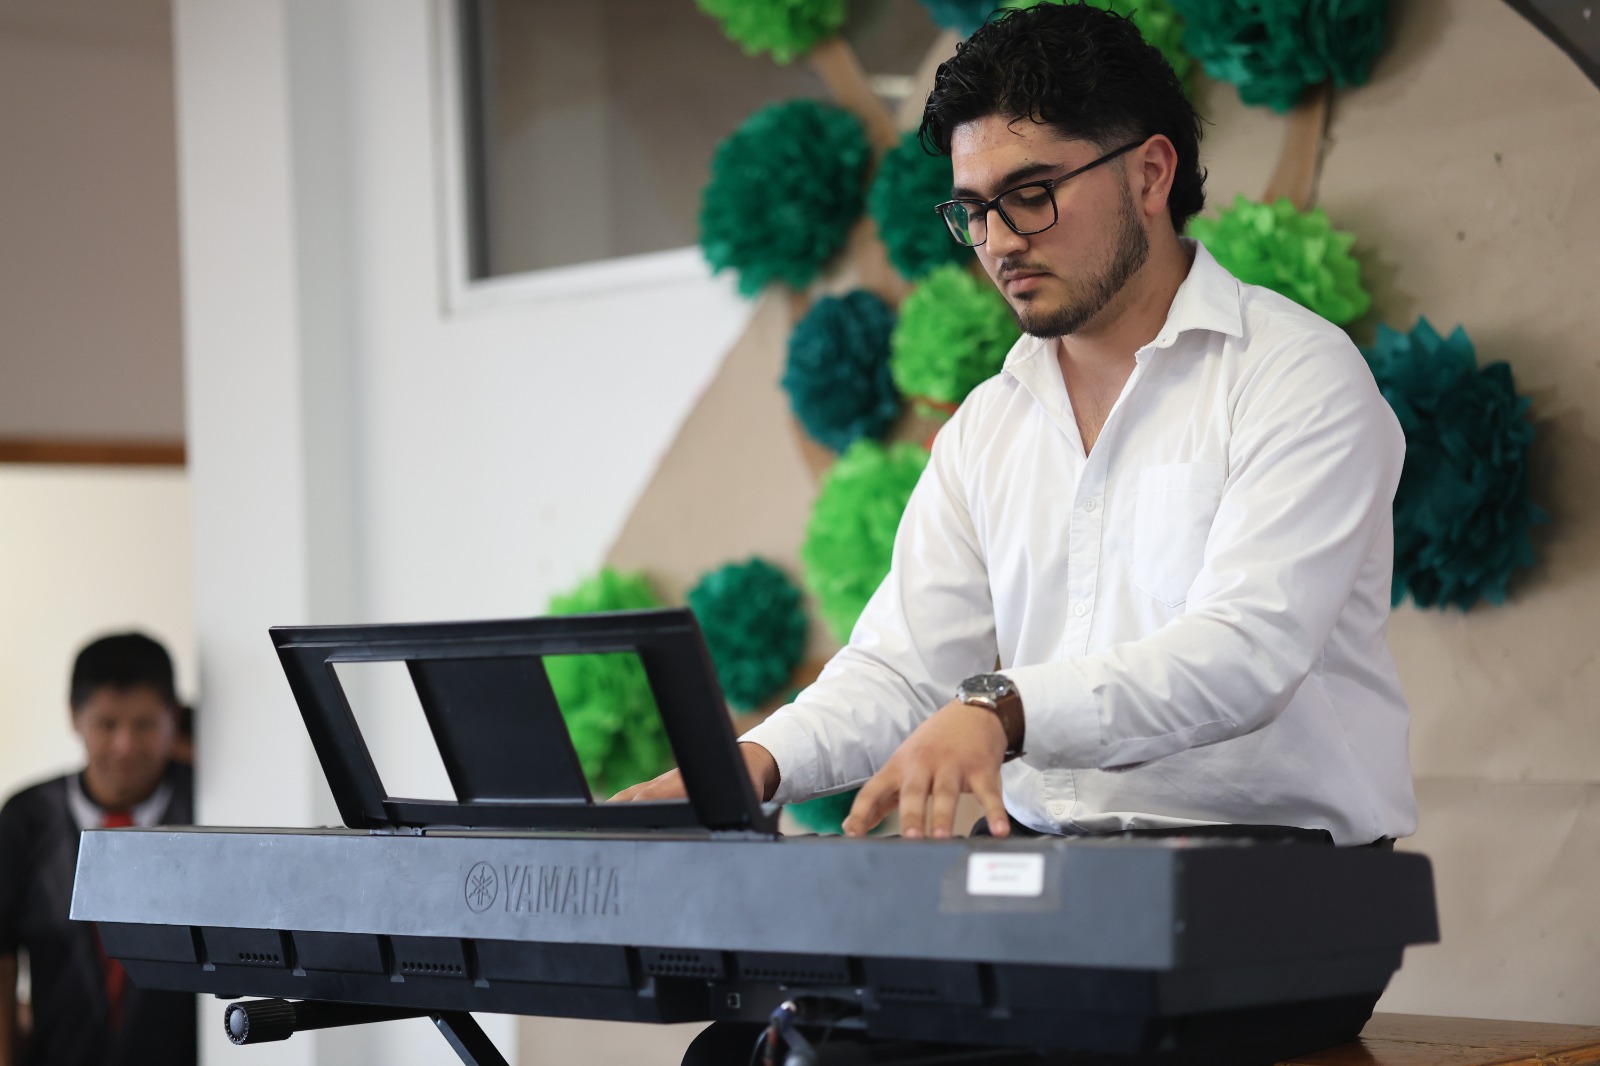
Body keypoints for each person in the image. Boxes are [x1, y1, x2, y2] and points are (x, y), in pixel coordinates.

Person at [618, 2, 1414, 851]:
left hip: (1272, 870)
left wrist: (1001, 709)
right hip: (1043, 862)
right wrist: (750, 763)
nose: (997, 242)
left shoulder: (1292, 374)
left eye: (1030, 196)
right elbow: (901, 669)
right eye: (973, 210)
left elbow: (1246, 651)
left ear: (1150, 175)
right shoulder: (988, 425)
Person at [0, 633, 196, 1066]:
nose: (125, 746)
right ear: (75, 716)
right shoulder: (26, 818)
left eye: (144, 725)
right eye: (107, 724)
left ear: (173, 717)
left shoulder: (209, 809)